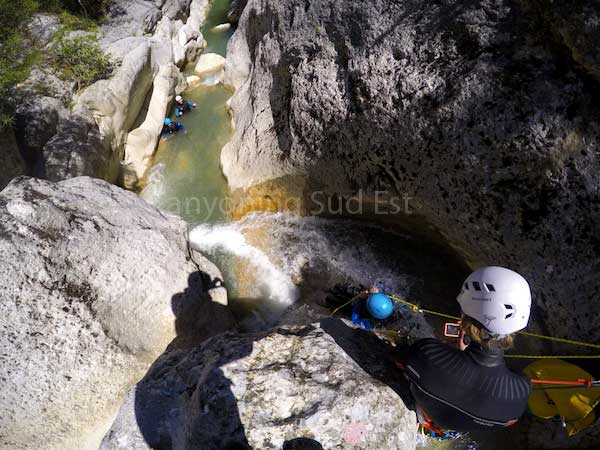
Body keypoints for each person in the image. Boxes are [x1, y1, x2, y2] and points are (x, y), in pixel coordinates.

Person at [402, 266, 532, 438]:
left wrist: (456, 356)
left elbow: (411, 361)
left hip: (426, 412)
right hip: (454, 429)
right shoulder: (520, 394)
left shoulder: (427, 353)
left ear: (465, 318)